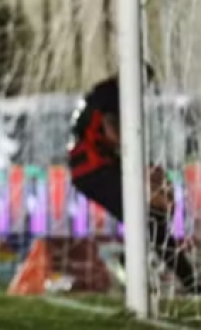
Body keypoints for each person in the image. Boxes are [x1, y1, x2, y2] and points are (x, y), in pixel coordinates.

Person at [69, 66, 201, 294]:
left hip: (98, 167)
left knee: (153, 220)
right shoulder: (111, 93)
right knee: (147, 218)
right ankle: (130, 265)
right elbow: (110, 130)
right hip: (93, 170)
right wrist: (135, 157)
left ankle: (185, 279)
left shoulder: (105, 92)